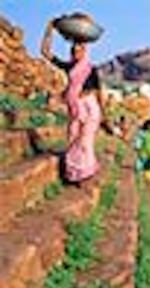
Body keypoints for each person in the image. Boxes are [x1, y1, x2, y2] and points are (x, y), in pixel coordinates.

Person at [41, 18, 103, 185]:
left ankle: (85, 174)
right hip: (76, 110)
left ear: (85, 51)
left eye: (80, 49)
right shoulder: (69, 67)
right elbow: (45, 53)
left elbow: (97, 91)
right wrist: (49, 30)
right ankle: (75, 173)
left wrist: (105, 117)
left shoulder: (91, 69)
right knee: (73, 137)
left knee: (85, 141)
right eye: (74, 50)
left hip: (90, 110)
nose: (76, 52)